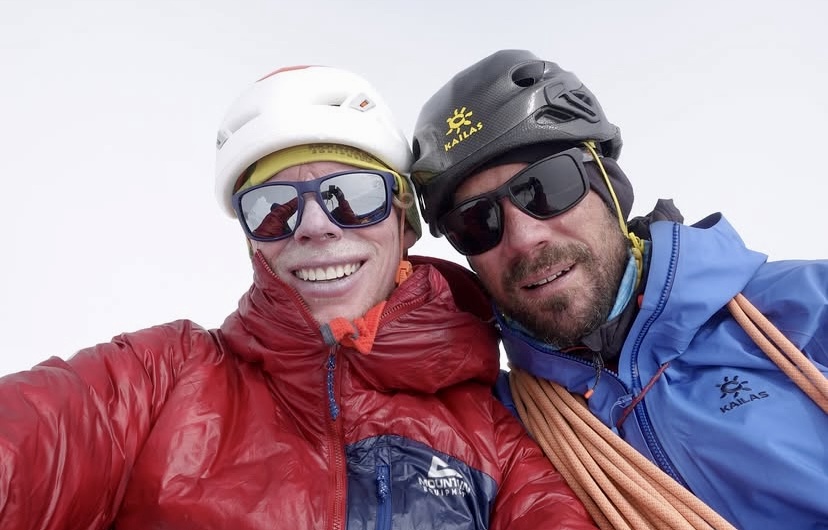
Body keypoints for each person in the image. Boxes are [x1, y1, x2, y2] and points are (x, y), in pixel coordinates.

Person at [0, 64, 598, 530]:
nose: (314, 226)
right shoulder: (159, 378)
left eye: (351, 195)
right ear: (252, 243)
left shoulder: (496, 434)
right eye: (273, 208)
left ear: (402, 222)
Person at [410, 49, 828, 530]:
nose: (524, 238)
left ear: (608, 183)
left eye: (544, 187)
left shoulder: (806, 306)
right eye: (476, 221)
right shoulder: (494, 430)